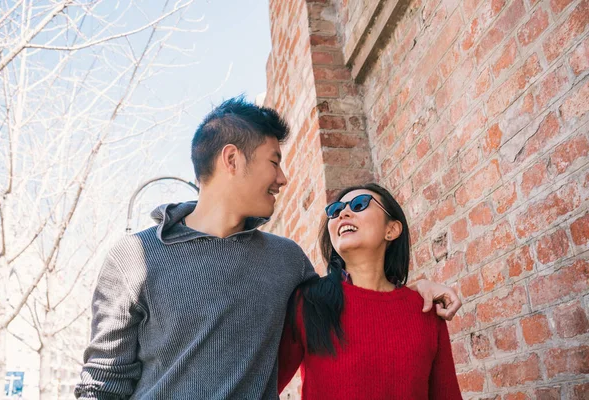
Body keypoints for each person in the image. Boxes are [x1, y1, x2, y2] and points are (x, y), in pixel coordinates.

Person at [75, 97, 462, 399]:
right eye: (274, 161)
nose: (282, 178)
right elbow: (102, 385)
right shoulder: (133, 257)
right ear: (232, 159)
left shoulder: (286, 261)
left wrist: (416, 289)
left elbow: (358, 297)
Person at [278, 183, 462, 399]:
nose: (343, 213)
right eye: (335, 211)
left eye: (359, 205)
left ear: (391, 230)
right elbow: (258, 385)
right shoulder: (308, 302)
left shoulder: (425, 308)